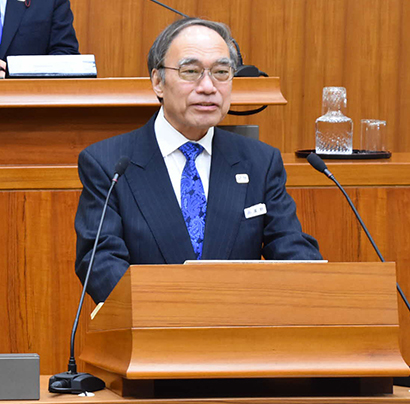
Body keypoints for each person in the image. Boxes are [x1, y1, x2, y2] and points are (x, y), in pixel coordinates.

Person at [74, 17, 321, 303]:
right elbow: (100, 261)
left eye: (221, 72)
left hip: (238, 333)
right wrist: (171, 312)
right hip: (152, 333)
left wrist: (317, 287)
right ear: (157, 81)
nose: (208, 87)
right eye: (190, 71)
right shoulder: (109, 164)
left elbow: (290, 248)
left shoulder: (259, 162)